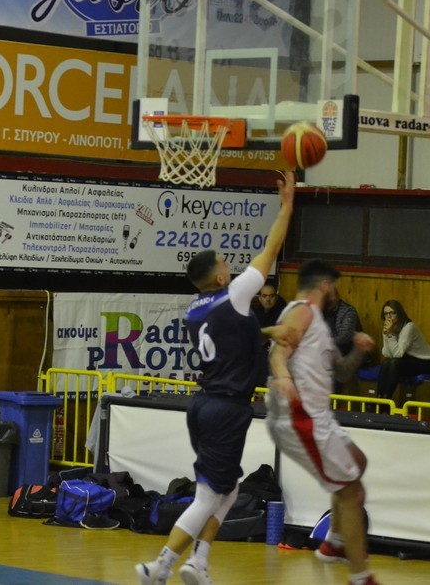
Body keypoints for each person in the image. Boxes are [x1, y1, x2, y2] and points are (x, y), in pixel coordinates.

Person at [135, 172, 296, 585]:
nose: (231, 265)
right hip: (226, 408)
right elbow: (270, 249)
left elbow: (234, 340)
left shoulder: (196, 309)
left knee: (229, 489)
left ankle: (199, 561)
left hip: (204, 405)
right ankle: (160, 566)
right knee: (208, 496)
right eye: (226, 262)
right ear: (221, 278)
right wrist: (287, 206)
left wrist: (268, 331)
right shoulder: (236, 294)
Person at [266, 260, 379, 585]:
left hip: (318, 418)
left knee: (358, 462)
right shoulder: (301, 312)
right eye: (336, 287)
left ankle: (335, 543)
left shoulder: (318, 323)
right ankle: (360, 576)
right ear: (326, 285)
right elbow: (277, 354)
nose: (337, 293)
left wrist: (358, 350)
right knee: (351, 492)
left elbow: (341, 372)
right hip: (299, 418)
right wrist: (284, 377)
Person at [377, 300, 430, 401]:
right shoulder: (389, 328)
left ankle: (386, 400)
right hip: (408, 360)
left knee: (394, 363)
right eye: (386, 314)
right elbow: (387, 354)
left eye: (392, 313)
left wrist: (390, 334)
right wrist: (387, 334)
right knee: (386, 362)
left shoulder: (409, 327)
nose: (389, 317)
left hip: (427, 363)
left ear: (399, 313)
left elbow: (398, 354)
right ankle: (379, 399)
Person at [324, 288, 364, 393]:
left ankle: (333, 397)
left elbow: (345, 337)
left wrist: (324, 342)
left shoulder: (348, 311)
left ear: (337, 297)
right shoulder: (321, 311)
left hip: (350, 352)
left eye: (330, 298)